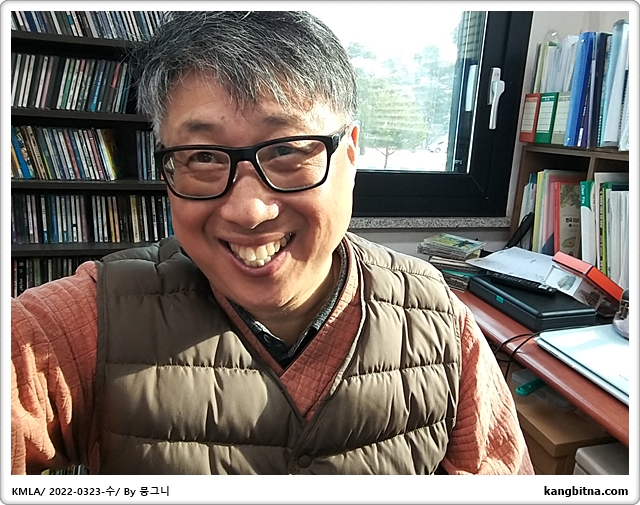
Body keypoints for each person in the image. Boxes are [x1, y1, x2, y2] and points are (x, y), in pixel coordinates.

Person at [11, 11, 533, 475]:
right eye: (203, 157)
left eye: (287, 150)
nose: (249, 210)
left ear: (351, 154)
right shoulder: (89, 321)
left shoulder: (439, 318)